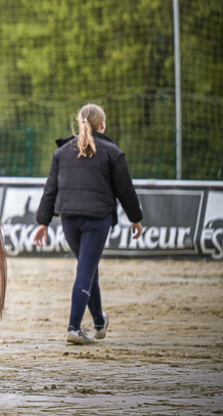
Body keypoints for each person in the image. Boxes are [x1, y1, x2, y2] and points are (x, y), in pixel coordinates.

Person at [33, 103, 143, 345]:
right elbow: (126, 190)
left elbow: (50, 189)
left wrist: (43, 222)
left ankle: (99, 322)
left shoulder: (62, 152)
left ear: (81, 122)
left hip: (69, 219)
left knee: (87, 268)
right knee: (85, 272)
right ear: (102, 125)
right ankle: (73, 328)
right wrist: (136, 217)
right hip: (97, 219)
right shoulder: (112, 152)